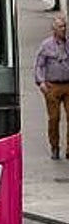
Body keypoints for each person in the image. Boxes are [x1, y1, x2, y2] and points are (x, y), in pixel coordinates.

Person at [35, 15, 69, 159]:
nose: (64, 29)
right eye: (60, 27)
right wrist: (41, 82)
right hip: (52, 86)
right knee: (54, 118)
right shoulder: (46, 45)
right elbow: (39, 65)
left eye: (65, 26)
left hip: (67, 85)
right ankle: (54, 146)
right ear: (54, 29)